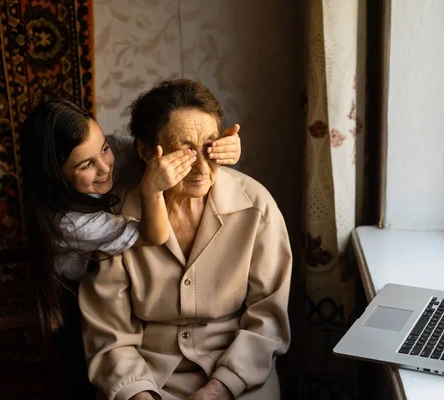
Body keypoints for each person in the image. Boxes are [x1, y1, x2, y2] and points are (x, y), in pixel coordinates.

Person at [79, 79, 292, 400]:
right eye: (186, 150)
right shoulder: (114, 219)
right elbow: (109, 334)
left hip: (238, 370)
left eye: (210, 145)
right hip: (146, 373)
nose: (203, 167)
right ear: (147, 151)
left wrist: (221, 387)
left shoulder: (256, 205)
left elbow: (268, 319)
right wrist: (139, 394)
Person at [20, 98, 242, 331]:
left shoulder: (113, 150)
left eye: (104, 148)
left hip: (109, 285)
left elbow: (151, 150)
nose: (105, 167)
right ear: (57, 176)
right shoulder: (67, 223)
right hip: (76, 300)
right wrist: (152, 191)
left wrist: (219, 148)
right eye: (86, 165)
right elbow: (154, 236)